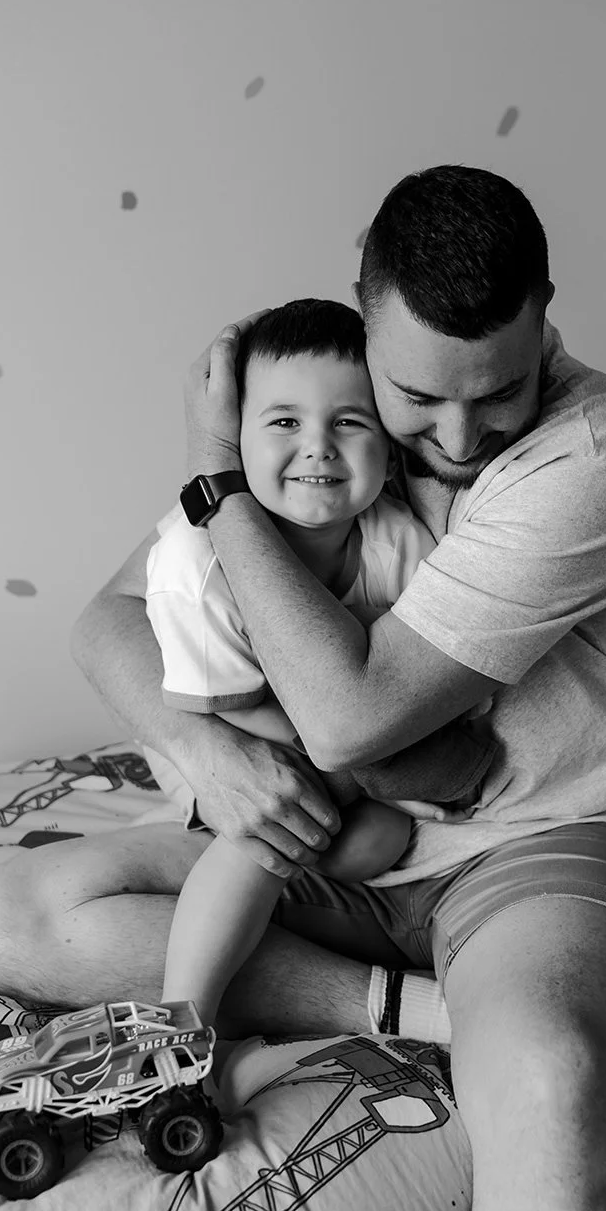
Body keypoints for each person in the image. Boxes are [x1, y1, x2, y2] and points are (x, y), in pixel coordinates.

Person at [0, 164, 606, 1211]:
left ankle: (497, 1018)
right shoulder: (332, 418)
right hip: (340, 846)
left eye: (498, 392)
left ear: (545, 319)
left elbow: (353, 721)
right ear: (365, 328)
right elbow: (107, 620)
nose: (456, 436)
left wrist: (218, 479)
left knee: (550, 1077)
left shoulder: (588, 461)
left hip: (541, 844)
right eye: (416, 396)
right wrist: (208, 756)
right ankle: (422, 1009)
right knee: (14, 919)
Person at [146, 297, 495, 1023]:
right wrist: (359, 756)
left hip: (350, 746)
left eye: (349, 422)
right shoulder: (194, 565)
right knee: (265, 842)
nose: (318, 447)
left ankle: (318, 946)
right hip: (238, 741)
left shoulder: (398, 541)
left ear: (390, 449)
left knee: (379, 841)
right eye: (283, 422)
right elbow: (227, 715)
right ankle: (184, 1019)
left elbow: (421, 682)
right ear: (232, 442)